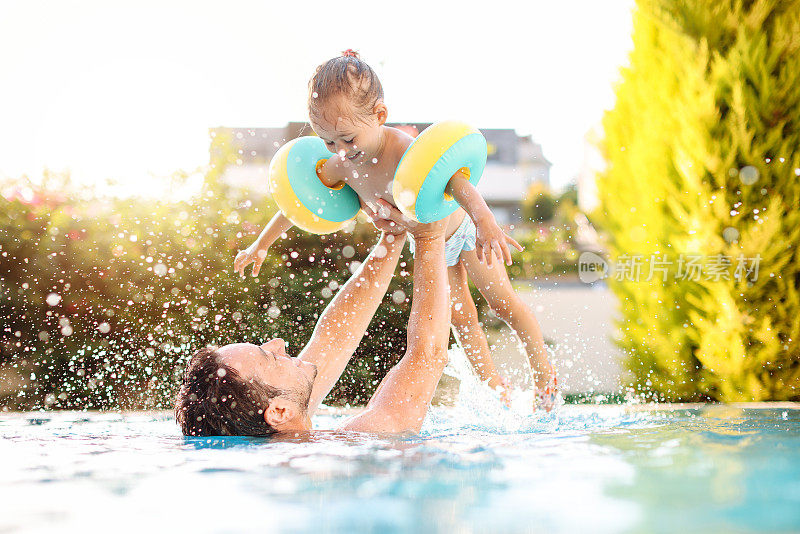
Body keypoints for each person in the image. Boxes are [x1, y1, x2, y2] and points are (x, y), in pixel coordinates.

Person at [234, 49, 558, 410]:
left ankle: (545, 378)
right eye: (328, 142)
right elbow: (300, 204)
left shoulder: (405, 151)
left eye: (348, 138)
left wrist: (485, 222)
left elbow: (457, 183)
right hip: (428, 242)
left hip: (462, 230)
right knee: (461, 319)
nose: (340, 150)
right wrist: (260, 245)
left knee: (502, 303)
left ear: (380, 115)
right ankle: (495, 388)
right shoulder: (341, 165)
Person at [176, 212, 451, 436]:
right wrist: (430, 236)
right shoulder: (356, 442)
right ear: (280, 412)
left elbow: (335, 337)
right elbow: (427, 356)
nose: (280, 344)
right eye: (271, 358)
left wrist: (393, 235)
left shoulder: (281, 428)